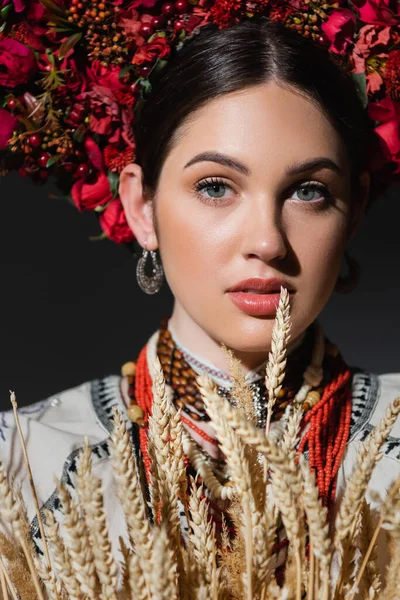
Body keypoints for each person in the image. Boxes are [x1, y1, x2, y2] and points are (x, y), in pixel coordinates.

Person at [0, 5, 399, 586]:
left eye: (308, 191)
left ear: (354, 208)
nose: (266, 240)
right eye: (216, 186)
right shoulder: (22, 465)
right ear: (142, 207)